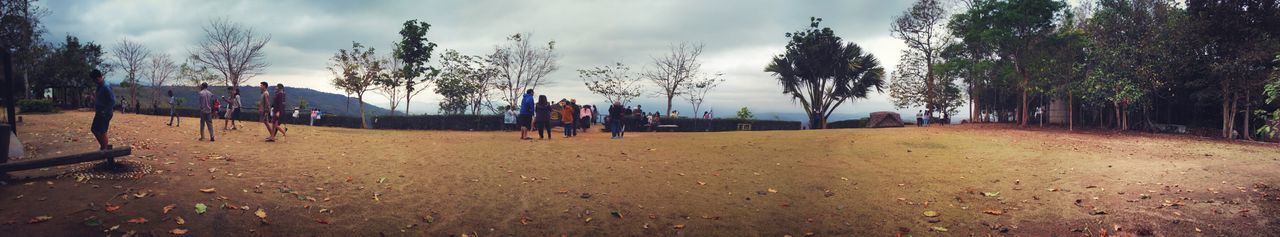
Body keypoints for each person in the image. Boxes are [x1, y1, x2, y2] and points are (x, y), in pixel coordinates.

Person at [89, 69, 115, 150]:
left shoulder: (105, 86)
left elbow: (112, 100)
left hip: (105, 113)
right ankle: (104, 147)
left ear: (97, 78)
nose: (94, 82)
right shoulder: (100, 85)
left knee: (102, 132)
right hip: (99, 112)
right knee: (94, 129)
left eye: (94, 80)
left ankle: (105, 149)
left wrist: (105, 111)